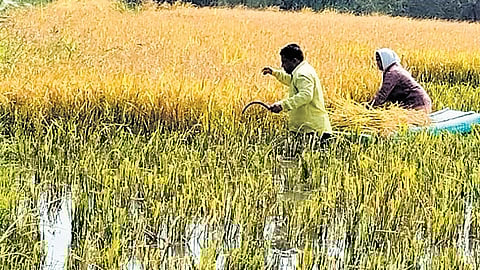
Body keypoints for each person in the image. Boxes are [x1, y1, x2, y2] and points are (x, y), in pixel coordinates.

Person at [262, 43, 332, 160]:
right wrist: (274, 73)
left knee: (309, 165)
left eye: (284, 62)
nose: (282, 65)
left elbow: (305, 96)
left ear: (294, 61)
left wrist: (282, 105)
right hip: (308, 128)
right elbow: (292, 81)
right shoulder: (301, 71)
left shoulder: (303, 74)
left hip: (312, 130)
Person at [372, 48, 432, 113]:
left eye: (379, 60)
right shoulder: (394, 70)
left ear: (385, 59)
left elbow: (383, 95)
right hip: (419, 103)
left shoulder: (393, 73)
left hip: (418, 105)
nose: (377, 63)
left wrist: (370, 107)